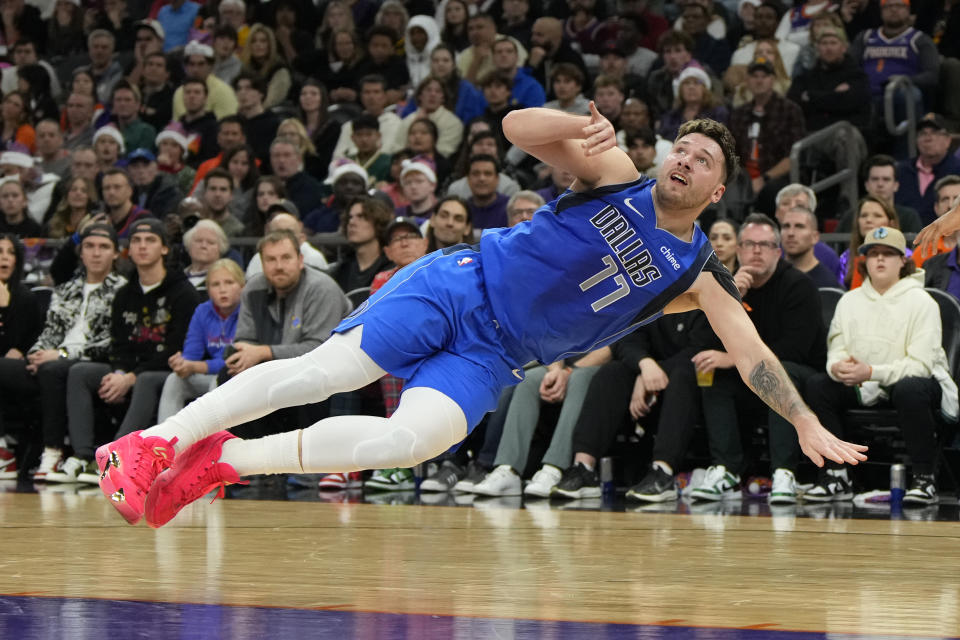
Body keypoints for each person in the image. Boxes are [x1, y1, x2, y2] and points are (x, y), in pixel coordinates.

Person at [94, 106, 867, 529]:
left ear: (715, 192)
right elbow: (515, 130)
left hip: (497, 354)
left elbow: (754, 351)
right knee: (327, 374)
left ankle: (219, 464)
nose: (684, 159)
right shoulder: (617, 175)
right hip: (459, 286)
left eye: (703, 160)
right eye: (682, 147)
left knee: (408, 440)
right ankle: (150, 442)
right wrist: (572, 121)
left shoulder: (698, 271)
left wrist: (802, 421)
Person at [806, 227, 958, 506]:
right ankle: (836, 474)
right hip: (864, 382)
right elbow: (837, 345)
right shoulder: (849, 301)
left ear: (903, 260)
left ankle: (924, 479)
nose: (879, 260)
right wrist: (837, 367)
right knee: (818, 386)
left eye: (888, 254)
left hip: (916, 384)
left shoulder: (922, 302)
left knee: (909, 389)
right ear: (863, 261)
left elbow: (921, 366)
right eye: (873, 253)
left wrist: (872, 372)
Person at [691, 213, 827, 505]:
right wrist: (732, 296)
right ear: (738, 251)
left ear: (778, 252)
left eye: (765, 245)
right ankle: (726, 469)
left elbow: (795, 349)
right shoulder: (724, 284)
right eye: (749, 244)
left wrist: (733, 358)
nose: (756, 251)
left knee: (780, 372)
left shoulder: (799, 286)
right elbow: (701, 341)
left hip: (800, 374)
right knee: (711, 375)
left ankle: (784, 473)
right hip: (747, 377)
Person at [61, 219, 200, 483]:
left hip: (167, 372)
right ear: (129, 250)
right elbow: (119, 345)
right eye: (136, 241)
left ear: (164, 249)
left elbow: (176, 350)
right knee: (80, 372)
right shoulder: (124, 294)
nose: (142, 246)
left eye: (150, 240)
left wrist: (130, 377)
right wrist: (119, 373)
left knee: (146, 380)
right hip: (131, 369)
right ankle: (82, 456)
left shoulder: (183, 293)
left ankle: (116, 457)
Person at [19, 224, 125, 481]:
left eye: (103, 247)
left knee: (53, 370)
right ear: (81, 253)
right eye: (90, 246)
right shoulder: (66, 288)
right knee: (7, 369)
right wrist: (37, 352)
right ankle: (7, 447)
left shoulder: (123, 289)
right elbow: (50, 329)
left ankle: (53, 453)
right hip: (52, 360)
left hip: (93, 362)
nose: (96, 253)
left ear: (115, 253)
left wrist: (61, 355)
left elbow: (111, 342)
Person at [158, 259, 244, 422]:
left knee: (218, 383)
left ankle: (212, 443)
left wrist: (196, 366)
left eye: (229, 282)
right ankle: (164, 442)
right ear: (208, 290)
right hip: (210, 374)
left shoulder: (247, 310)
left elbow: (233, 361)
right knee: (174, 380)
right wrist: (182, 364)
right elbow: (192, 353)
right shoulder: (202, 311)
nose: (222, 290)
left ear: (242, 286)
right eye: (215, 284)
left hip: (237, 376)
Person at [0, 233, 41, 477]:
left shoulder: (25, 298)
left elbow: (21, 345)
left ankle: (3, 452)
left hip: (22, 370)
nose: (3, 257)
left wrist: (4, 309)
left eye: (10, 252)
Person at [245, 207, 329, 278]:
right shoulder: (258, 259)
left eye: (289, 233)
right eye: (278, 233)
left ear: (301, 238)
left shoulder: (314, 258)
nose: (283, 239)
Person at [780, 206, 841, 288]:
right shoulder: (768, 276)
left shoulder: (827, 283)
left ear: (815, 237)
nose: (790, 233)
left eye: (799, 226)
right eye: (786, 226)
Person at [181, 219, 230, 296]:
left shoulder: (227, 279)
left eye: (210, 242)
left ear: (220, 249)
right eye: (198, 241)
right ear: (188, 245)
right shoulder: (177, 278)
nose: (203, 246)